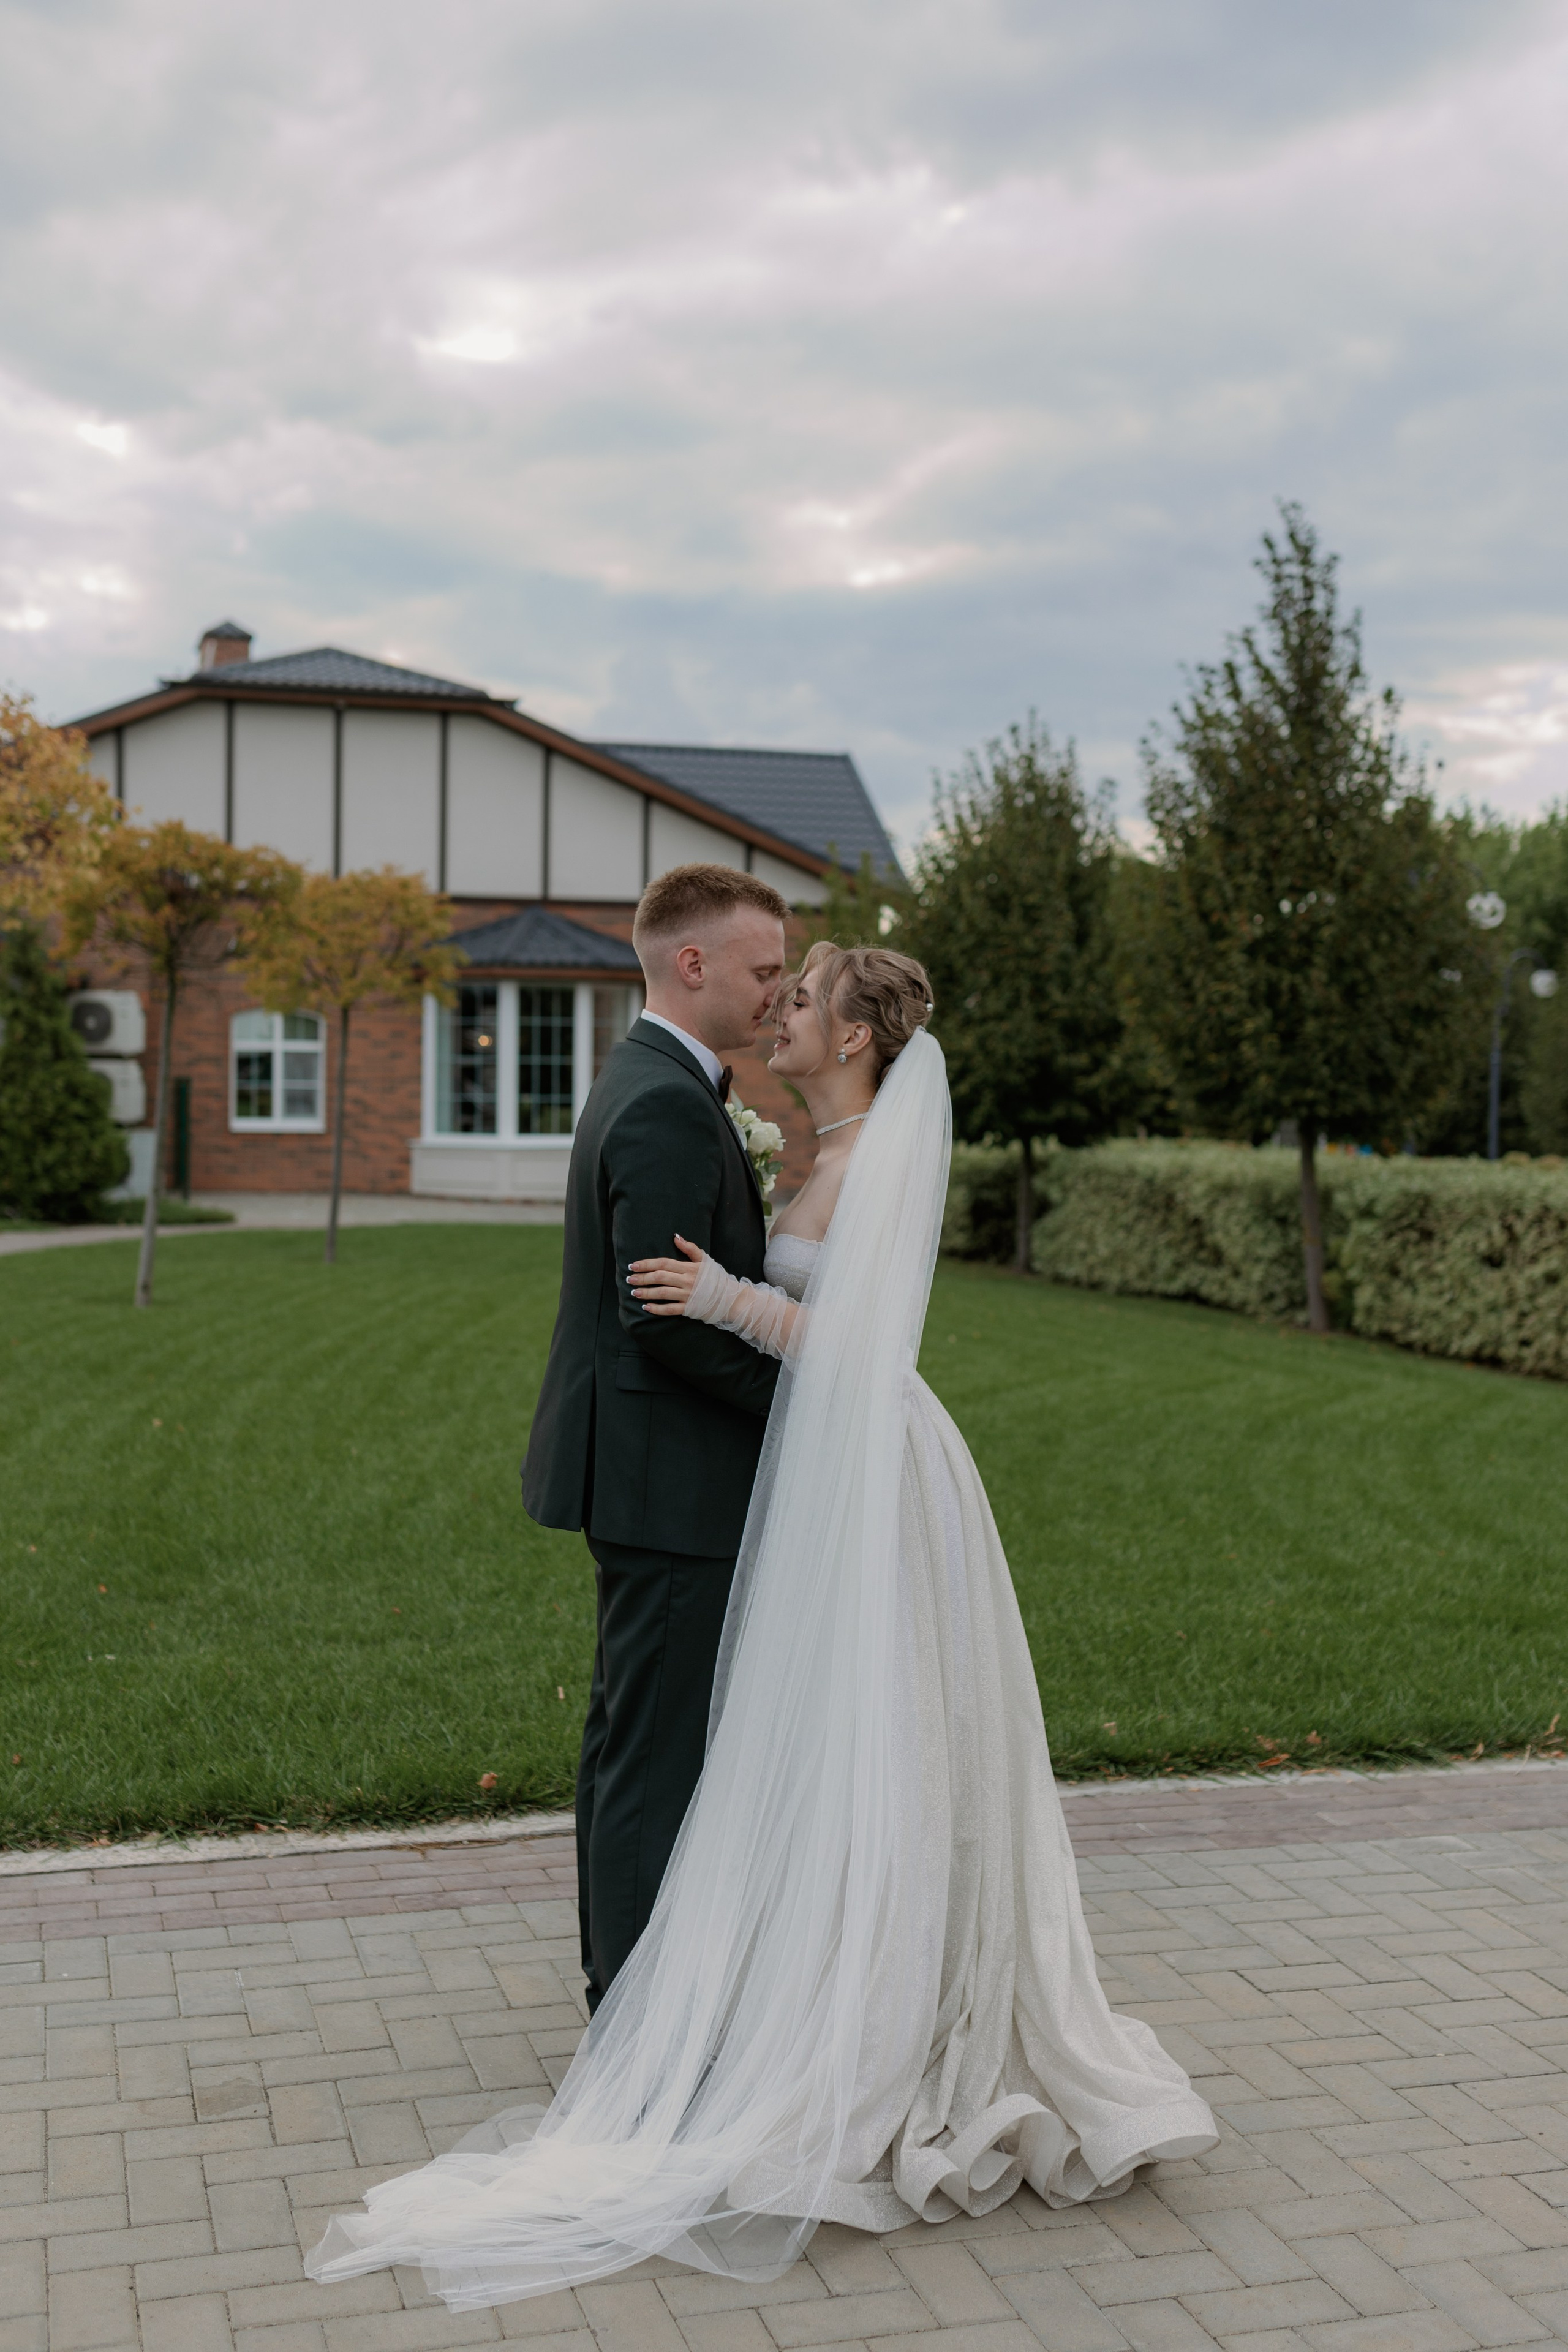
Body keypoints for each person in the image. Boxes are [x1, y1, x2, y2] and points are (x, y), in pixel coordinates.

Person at [307, 940, 1216, 2310]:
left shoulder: (865, 1166)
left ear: (855, 1040)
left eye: (804, 999)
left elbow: (865, 1345)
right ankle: (799, 1987)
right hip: (818, 1467)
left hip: (875, 1467)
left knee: (876, 1731)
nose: (781, 1009)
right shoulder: (800, 1155)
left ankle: (884, 2019)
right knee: (812, 1736)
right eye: (774, 987)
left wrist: (730, 1298)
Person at [516, 862, 788, 2015]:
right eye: (765, 969)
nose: (779, 991)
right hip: (669, 1479)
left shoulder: (651, 1077)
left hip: (645, 1471)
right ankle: (633, 2007)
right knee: (653, 1752)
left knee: (631, 1733)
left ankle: (619, 1978)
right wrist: (804, 1406)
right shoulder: (671, 1101)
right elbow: (662, 1318)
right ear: (695, 963)